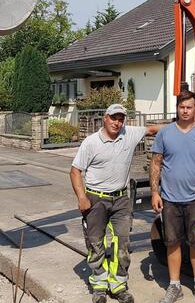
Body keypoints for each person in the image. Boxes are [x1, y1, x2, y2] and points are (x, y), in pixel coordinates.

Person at [70, 104, 162, 303]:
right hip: (96, 198)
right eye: (113, 118)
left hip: (121, 198)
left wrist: (183, 125)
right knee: (96, 243)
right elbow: (75, 170)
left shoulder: (128, 134)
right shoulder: (91, 143)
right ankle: (100, 285)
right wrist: (81, 197)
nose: (117, 122)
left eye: (121, 119)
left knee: (122, 242)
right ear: (105, 118)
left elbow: (154, 129)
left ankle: (118, 284)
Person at [150, 91, 195, 303]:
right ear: (177, 108)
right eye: (182, 107)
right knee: (173, 243)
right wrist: (155, 192)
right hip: (170, 199)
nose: (185, 111)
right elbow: (156, 163)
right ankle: (174, 285)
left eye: (189, 107)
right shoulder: (165, 134)